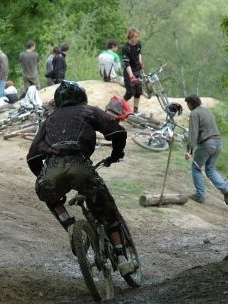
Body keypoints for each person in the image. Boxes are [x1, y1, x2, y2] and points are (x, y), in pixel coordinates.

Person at [26, 80, 135, 277]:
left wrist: (43, 177)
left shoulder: (49, 120)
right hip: (80, 165)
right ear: (81, 97)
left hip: (52, 169)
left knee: (49, 194)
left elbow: (32, 157)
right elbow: (117, 131)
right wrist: (117, 153)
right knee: (106, 207)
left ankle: (68, 225)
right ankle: (121, 256)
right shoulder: (88, 111)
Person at [184, 94, 228, 205]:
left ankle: (200, 195)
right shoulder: (207, 111)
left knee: (196, 168)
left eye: (188, 104)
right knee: (210, 169)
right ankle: (226, 190)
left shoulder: (194, 114)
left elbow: (193, 133)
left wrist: (189, 150)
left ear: (191, 104)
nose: (187, 106)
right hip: (218, 142)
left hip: (207, 144)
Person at [122, 28, 143, 113]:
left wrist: (140, 62)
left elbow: (139, 53)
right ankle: (117, 106)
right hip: (129, 72)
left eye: (138, 37)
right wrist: (131, 76)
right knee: (129, 93)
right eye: (135, 37)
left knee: (138, 91)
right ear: (130, 37)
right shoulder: (125, 48)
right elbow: (126, 64)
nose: (137, 38)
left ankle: (135, 110)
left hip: (138, 70)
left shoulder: (138, 44)